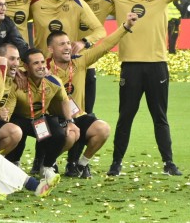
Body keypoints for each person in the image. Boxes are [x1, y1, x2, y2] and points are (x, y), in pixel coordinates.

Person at [105, 0, 190, 177]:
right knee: (125, 116)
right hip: (131, 66)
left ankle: (169, 163)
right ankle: (116, 163)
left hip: (158, 65)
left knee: (160, 117)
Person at [47, 13, 137, 178]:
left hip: (77, 115)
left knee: (102, 129)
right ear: (51, 49)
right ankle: (49, 162)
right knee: (68, 136)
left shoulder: (80, 61)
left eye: (68, 43)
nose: (67, 47)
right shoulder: (43, 68)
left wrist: (126, 27)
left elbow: (106, 45)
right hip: (54, 118)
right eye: (61, 44)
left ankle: (81, 165)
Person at [8, 49, 81, 179]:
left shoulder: (53, 81)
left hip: (39, 119)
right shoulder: (18, 82)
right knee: (17, 130)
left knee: (60, 135)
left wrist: (70, 122)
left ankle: (46, 166)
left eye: (42, 62)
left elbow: (64, 100)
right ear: (26, 66)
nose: (41, 66)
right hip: (20, 119)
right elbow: (9, 111)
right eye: (36, 63)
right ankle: (14, 163)